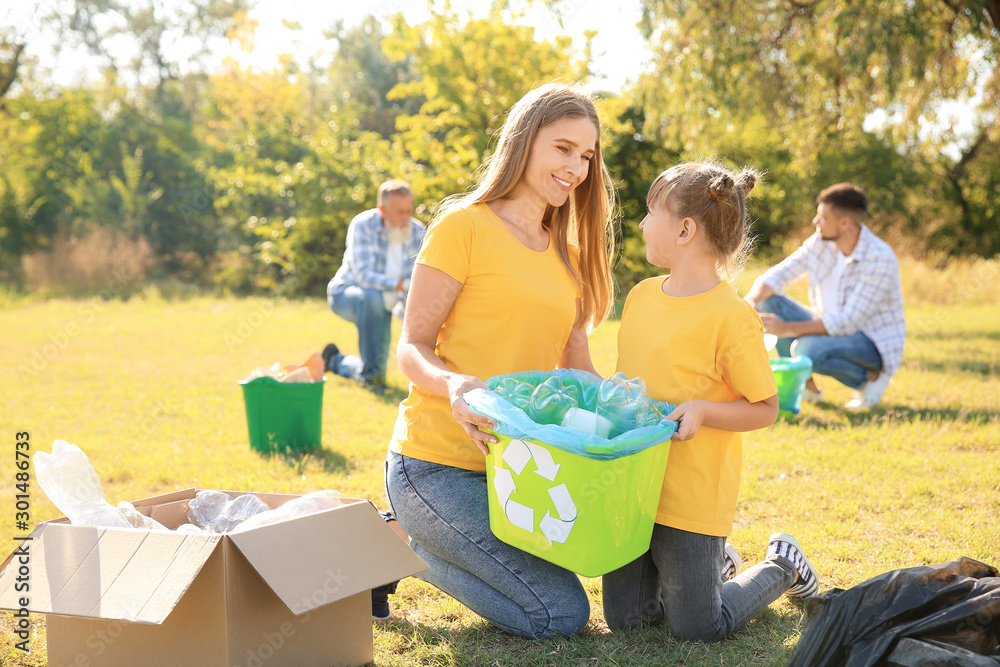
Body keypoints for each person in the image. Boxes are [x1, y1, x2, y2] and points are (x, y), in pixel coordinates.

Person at [383, 83, 617, 638]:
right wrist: (455, 384)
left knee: (572, 585)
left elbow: (579, 368)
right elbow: (411, 346)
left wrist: (628, 413)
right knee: (559, 614)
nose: (576, 167)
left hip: (520, 471)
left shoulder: (569, 254)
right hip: (435, 467)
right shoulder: (464, 228)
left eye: (586, 155)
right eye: (563, 148)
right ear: (524, 141)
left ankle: (397, 540)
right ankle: (393, 543)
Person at [602, 162, 820, 643]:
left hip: (691, 496)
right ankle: (713, 568)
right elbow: (631, 383)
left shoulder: (732, 316)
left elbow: (765, 407)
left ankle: (782, 565)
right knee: (627, 620)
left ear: (684, 229)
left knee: (698, 628)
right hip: (635, 487)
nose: (640, 224)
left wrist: (704, 409)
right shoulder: (639, 297)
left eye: (650, 212)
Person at [744, 183, 905, 409]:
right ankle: (807, 387)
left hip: (870, 341)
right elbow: (777, 276)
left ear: (845, 224)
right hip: (828, 325)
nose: (815, 222)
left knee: (806, 349)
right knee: (768, 300)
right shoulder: (820, 242)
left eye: (822, 218)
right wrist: (751, 304)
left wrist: (787, 329)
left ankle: (868, 378)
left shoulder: (879, 258)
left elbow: (847, 322)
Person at [323, 180, 426, 392]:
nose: (406, 217)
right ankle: (370, 377)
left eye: (409, 210)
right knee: (373, 298)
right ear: (382, 209)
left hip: (388, 302)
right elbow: (364, 277)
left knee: (374, 370)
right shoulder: (362, 224)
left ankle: (337, 361)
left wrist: (418, 327)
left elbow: (414, 287)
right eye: (400, 212)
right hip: (347, 294)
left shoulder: (417, 231)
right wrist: (401, 285)